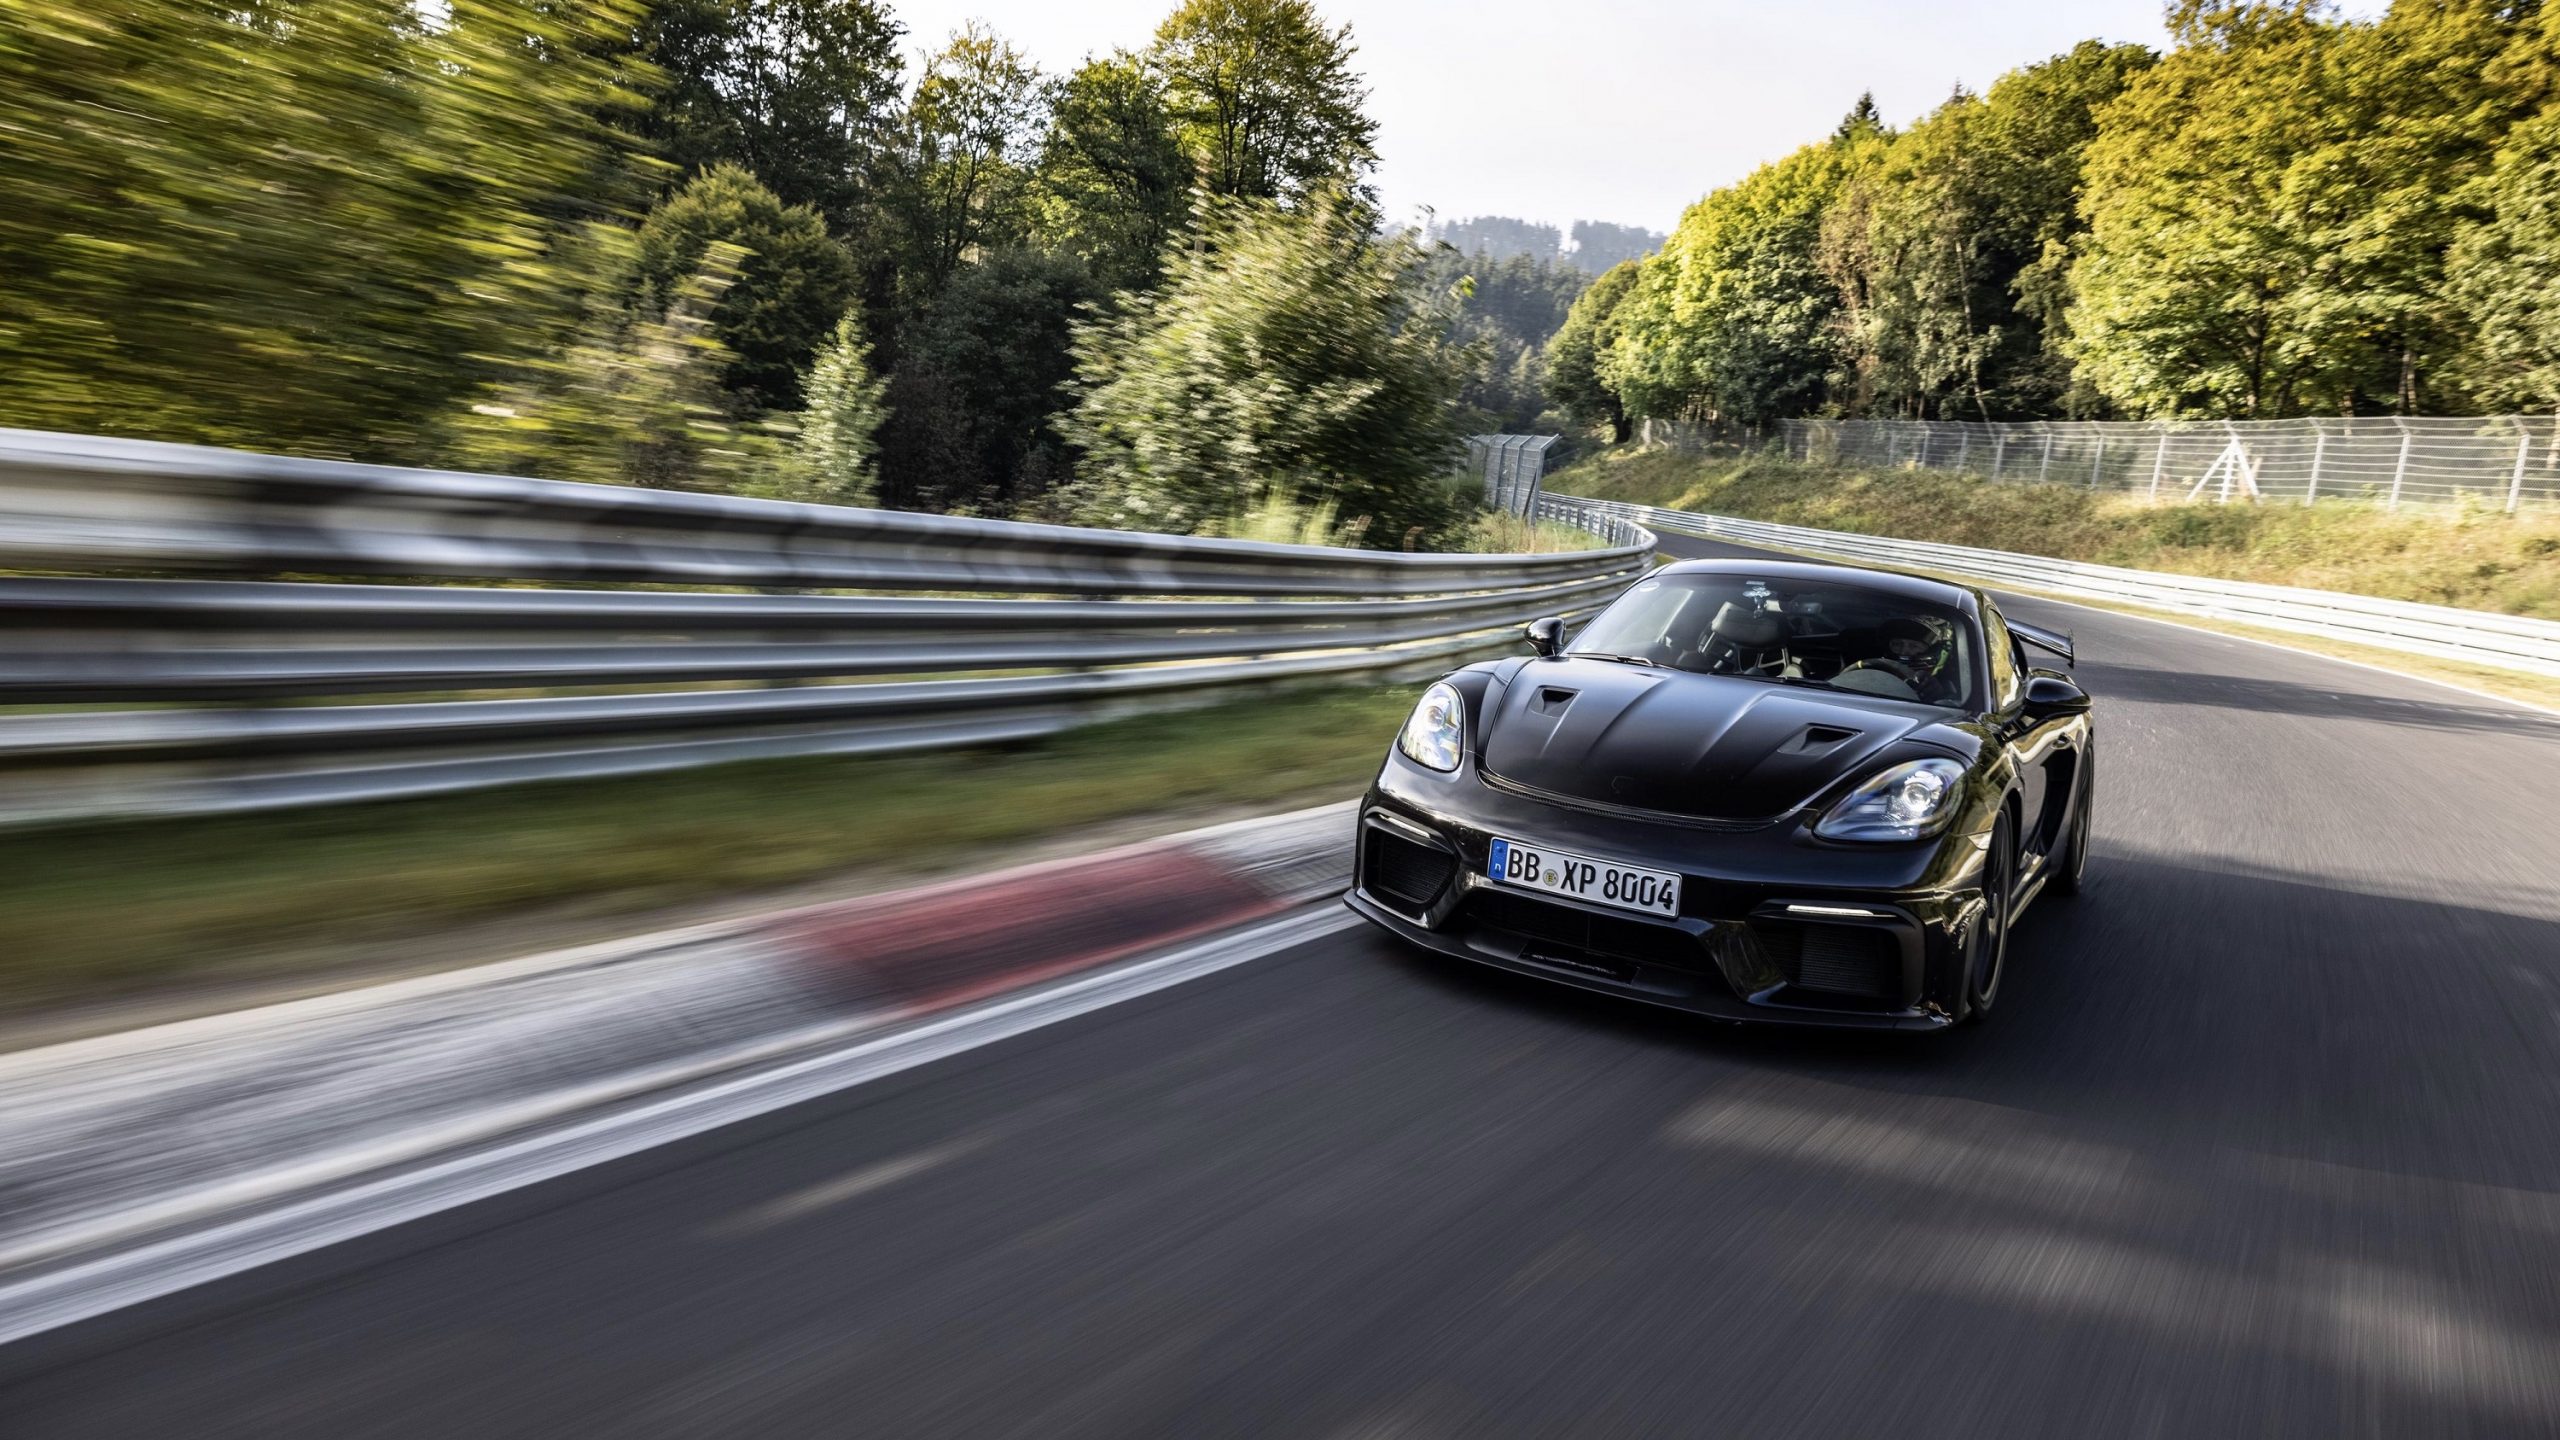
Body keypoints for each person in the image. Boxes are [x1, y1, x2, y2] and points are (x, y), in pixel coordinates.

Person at [1876, 615, 1962, 705]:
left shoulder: (1951, 687)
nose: (1903, 651)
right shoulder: (1874, 670)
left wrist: (1937, 694)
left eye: (1914, 646)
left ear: (1933, 651)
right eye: (1897, 644)